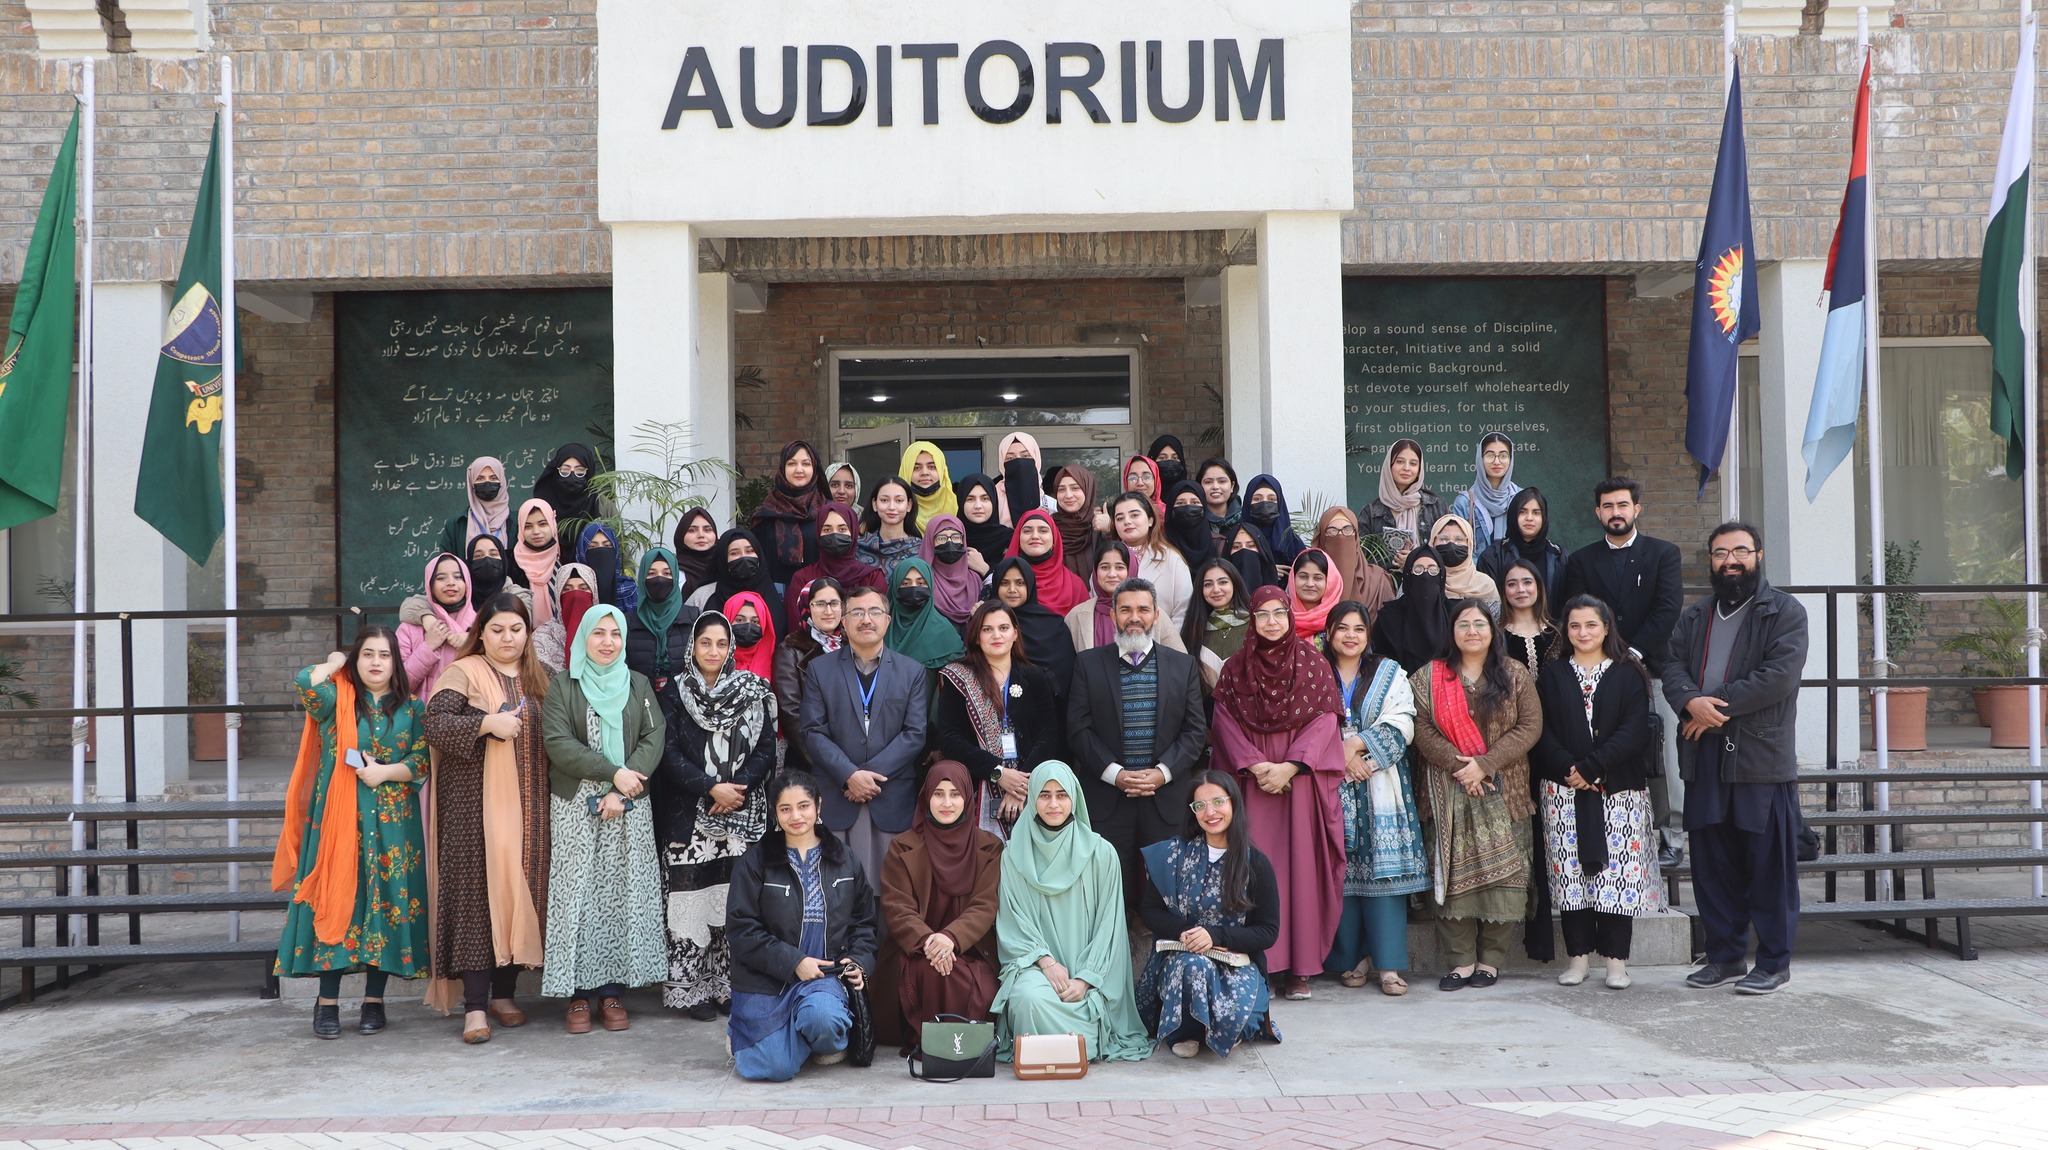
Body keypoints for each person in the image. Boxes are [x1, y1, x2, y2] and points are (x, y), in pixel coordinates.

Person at [1663, 522, 1806, 996]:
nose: (1730, 560)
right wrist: (1689, 701)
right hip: (1705, 760)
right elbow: (1673, 667)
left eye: (1740, 551)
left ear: (1758, 556)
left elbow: (1777, 677)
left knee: (1768, 867)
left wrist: (1711, 705)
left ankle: (1772, 963)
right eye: (1721, 552)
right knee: (1712, 865)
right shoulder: (1695, 615)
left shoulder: (1784, 612)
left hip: (1759, 761)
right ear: (1710, 560)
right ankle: (1723, 957)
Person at [273, 629, 431, 1039]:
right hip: (338, 823)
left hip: (395, 826)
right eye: (366, 655)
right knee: (337, 898)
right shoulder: (335, 701)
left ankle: (374, 1002)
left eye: (384, 655)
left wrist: (385, 772)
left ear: (396, 663)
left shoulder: (412, 707)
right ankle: (326, 1004)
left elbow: (421, 759)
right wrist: (333, 663)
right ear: (355, 660)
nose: (376, 662)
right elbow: (306, 681)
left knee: (384, 903)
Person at [421, 593, 551, 1043]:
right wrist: (484, 725)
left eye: (516, 629)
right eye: (497, 630)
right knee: (478, 899)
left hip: (531, 808)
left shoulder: (541, 678)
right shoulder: (464, 671)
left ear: (527, 634)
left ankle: (503, 994)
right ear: (482, 633)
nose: (507, 638)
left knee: (520, 891)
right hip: (473, 810)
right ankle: (474, 1008)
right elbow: (433, 723)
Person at [1209, 586, 1347, 1001]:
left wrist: (1290, 766)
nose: (1271, 621)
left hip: (1299, 783)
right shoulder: (1235, 669)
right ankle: (1257, 962)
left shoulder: (1314, 664)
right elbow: (1223, 722)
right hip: (1253, 783)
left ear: (1290, 616)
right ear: (1251, 620)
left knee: (1298, 872)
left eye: (1279, 613)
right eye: (1262, 614)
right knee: (1251, 870)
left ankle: (1299, 968)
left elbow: (1325, 721)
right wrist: (1255, 766)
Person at [538, 605, 667, 1033]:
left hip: (629, 801)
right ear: (583, 639)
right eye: (599, 634)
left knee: (621, 893)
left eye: (615, 634)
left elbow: (654, 735)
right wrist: (611, 773)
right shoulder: (564, 684)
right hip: (577, 802)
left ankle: (613, 992)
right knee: (578, 893)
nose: (608, 642)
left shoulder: (638, 684)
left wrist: (622, 788)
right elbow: (558, 742)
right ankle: (577, 997)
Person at [1533, 595, 1663, 991]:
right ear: (1565, 631)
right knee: (1571, 877)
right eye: (1574, 626)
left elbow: (1634, 730)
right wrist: (1571, 770)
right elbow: (1542, 730)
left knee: (1615, 878)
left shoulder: (1629, 672)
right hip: (1563, 792)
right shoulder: (1552, 674)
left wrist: (1592, 768)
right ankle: (1577, 960)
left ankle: (1616, 963)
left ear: (1607, 627)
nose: (1583, 632)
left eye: (1591, 625)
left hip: (1617, 791)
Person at [1557, 477, 1687, 868]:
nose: (1616, 512)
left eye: (1622, 505)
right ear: (1598, 512)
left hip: (1653, 669)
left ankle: (1672, 836)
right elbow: (1579, 611)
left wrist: (1629, 653)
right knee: (1605, 749)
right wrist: (1608, 657)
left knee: (1661, 751)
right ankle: (1620, 832)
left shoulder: (1664, 553)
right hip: (1599, 671)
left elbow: (1666, 611)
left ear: (1636, 509)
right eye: (1608, 506)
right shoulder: (1581, 561)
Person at [1410, 601, 1540, 992]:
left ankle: (1490, 962)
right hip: (1446, 791)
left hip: (1504, 790)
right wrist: (1458, 765)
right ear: (1452, 631)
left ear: (1492, 630)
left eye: (1479, 624)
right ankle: (1460, 963)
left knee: (1503, 880)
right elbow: (1419, 726)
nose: (1471, 631)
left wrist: (1485, 763)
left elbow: (1530, 726)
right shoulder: (1429, 676)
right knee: (1452, 879)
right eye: (1463, 624)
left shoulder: (1514, 673)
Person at [655, 611, 778, 1020]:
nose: (713, 651)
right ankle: (692, 990)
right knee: (691, 901)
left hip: (740, 814)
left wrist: (736, 789)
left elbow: (766, 750)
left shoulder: (753, 690)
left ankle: (729, 987)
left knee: (734, 902)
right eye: (705, 642)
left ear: (730, 649)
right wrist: (710, 787)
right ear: (693, 646)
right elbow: (668, 753)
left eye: (721, 643)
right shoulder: (673, 692)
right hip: (690, 814)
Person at [988, 762, 1150, 1063]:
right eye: (1045, 794)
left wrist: (1085, 980)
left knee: (1088, 1007)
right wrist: (1047, 964)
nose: (1053, 804)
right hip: (1038, 971)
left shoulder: (1101, 854)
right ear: (1033, 797)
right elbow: (1014, 922)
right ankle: (1065, 1046)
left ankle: (1058, 1045)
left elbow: (1109, 929)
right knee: (1026, 999)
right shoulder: (1013, 855)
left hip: (1090, 977)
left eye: (1062, 795)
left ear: (1075, 798)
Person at [1066, 578, 1209, 911]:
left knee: (1170, 893)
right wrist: (1116, 774)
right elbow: (1078, 730)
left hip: (1165, 799)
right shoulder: (1088, 664)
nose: (1134, 616)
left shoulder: (1181, 665)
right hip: (1107, 799)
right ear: (1113, 614)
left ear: (1156, 615)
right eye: (1125, 609)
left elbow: (1195, 732)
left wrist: (1161, 773)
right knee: (1110, 895)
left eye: (1143, 609)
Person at [726, 772, 879, 1081]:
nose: (795, 816)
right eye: (785, 809)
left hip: (824, 975)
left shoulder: (845, 860)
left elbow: (864, 922)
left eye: (804, 806)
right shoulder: (754, 863)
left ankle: (801, 1034)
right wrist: (794, 962)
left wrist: (859, 961)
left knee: (824, 1021)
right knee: (773, 1068)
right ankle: (765, 1039)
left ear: (818, 806)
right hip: (765, 977)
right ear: (775, 814)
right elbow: (742, 930)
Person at [1136, 771, 1281, 1058]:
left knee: (1246, 1021)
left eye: (1217, 802)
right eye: (1199, 805)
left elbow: (1268, 931)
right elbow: (1150, 910)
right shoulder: (1174, 856)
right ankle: (1187, 1032)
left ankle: (1222, 1028)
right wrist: (1185, 932)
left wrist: (1214, 935)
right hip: (1183, 959)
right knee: (1193, 967)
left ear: (1234, 804)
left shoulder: (1255, 863)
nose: (1209, 812)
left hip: (1234, 963)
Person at [1320, 602, 1425, 997]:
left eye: (1359, 629)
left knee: (1384, 873)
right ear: (1329, 633)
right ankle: (1352, 959)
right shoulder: (1314, 671)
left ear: (1368, 635)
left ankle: (1389, 966)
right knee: (1342, 874)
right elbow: (1302, 724)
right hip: (1330, 784)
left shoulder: (1390, 671)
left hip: (1381, 783)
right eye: (1342, 628)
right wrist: (1340, 759)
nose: (1350, 635)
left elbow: (1403, 719)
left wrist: (1359, 746)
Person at [800, 584, 930, 878]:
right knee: (836, 890)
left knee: (891, 894)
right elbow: (812, 731)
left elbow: (914, 733)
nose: (866, 619)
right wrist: (849, 775)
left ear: (888, 619)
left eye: (874, 611)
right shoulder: (820, 669)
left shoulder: (912, 672)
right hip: (838, 794)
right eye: (857, 612)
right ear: (843, 622)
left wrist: (866, 776)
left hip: (890, 795)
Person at [879, 762, 1005, 1040]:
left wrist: (951, 938)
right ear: (926, 798)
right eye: (938, 794)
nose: (946, 803)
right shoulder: (903, 846)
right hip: (917, 950)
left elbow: (986, 904)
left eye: (955, 794)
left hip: (972, 949)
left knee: (970, 978)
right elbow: (898, 907)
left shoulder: (989, 847)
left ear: (967, 798)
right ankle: (939, 1047)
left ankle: (961, 1048)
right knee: (936, 974)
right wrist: (931, 943)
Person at [936, 601, 1063, 838]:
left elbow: (1048, 734)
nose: (997, 635)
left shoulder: (1034, 676)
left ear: (1015, 633)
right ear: (976, 637)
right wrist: (999, 774)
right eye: (987, 629)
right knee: (985, 867)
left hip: (1029, 789)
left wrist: (1020, 785)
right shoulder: (958, 678)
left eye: (1003, 628)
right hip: (976, 788)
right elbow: (950, 738)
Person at [1066, 538, 1186, 655]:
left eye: (1119, 567)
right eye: (1104, 567)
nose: (1112, 574)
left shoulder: (1154, 614)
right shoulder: (1076, 616)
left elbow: (1180, 662)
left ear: (1131, 569)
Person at [773, 579, 843, 774]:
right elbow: (791, 712)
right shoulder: (790, 649)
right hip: (810, 762)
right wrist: (823, 764)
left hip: (852, 757)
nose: (828, 611)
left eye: (834, 603)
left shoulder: (853, 644)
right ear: (806, 607)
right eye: (819, 604)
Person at [988, 557, 1079, 705]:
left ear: (1030, 585)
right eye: (1004, 583)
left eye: (1020, 583)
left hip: (1046, 709)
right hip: (996, 705)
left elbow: (1065, 673)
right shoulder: (986, 623)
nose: (1012, 590)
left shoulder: (1053, 624)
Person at [784, 502, 886, 627]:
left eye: (842, 529)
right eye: (827, 529)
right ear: (818, 533)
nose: (835, 534)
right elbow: (797, 627)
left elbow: (877, 625)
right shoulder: (802, 579)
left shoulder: (872, 577)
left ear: (853, 532)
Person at [1108, 492, 1193, 630]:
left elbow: (1183, 611)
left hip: (1162, 644)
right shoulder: (1106, 559)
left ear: (1150, 520)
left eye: (1134, 515)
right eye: (1119, 518)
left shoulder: (1171, 559)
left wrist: (1166, 646)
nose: (1127, 521)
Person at [750, 439, 826, 590]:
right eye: (792, 463)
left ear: (815, 468)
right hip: (774, 595)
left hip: (819, 596)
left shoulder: (827, 511)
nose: (799, 470)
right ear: (782, 468)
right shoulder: (767, 512)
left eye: (806, 464)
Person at [686, 528, 791, 638]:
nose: (743, 557)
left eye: (749, 551)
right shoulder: (703, 597)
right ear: (723, 559)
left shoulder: (779, 594)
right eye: (734, 553)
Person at [886, 558, 966, 699]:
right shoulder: (881, 628)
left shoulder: (945, 633)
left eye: (921, 583)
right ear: (895, 587)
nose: (914, 588)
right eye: (905, 583)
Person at [626, 546, 701, 694]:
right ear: (642, 578)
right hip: (643, 701)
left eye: (667, 573)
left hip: (685, 703)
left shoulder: (693, 618)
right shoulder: (628, 623)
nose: (659, 579)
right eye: (651, 573)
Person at [398, 553, 474, 694]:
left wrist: (473, 642)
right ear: (430, 585)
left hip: (472, 715)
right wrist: (428, 647)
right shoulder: (409, 628)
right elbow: (398, 685)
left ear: (467, 583)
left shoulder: (482, 627)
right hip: (421, 714)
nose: (451, 582)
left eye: (458, 577)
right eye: (441, 578)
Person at [1359, 439, 1443, 567]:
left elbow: (1446, 550)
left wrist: (1416, 559)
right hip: (1385, 584)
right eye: (1399, 462)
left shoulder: (1436, 506)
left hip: (1426, 581)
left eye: (1413, 463)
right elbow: (1362, 558)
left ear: (1420, 469)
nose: (1407, 468)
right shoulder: (1371, 512)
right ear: (1389, 465)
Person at [1372, 547, 1451, 674]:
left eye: (1433, 570)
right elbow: (1380, 665)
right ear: (1408, 575)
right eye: (1418, 570)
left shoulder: (1453, 614)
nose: (1425, 576)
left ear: (1441, 576)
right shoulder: (1388, 618)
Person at [1479, 488, 1565, 599]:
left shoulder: (1558, 556)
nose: (1529, 518)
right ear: (1513, 516)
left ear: (1544, 518)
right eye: (1522, 512)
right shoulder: (1494, 556)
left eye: (1536, 512)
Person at [1005, 508, 1092, 617]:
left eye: (1043, 530)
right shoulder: (1003, 581)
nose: (1035, 536)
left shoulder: (1075, 586)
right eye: (1027, 531)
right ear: (1018, 538)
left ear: (1054, 540)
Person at [1184, 557, 1250, 693]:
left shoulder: (1255, 625)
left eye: (1223, 582)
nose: (1216, 589)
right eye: (1208, 584)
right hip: (1206, 710)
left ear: (1235, 584)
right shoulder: (1193, 630)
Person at [1450, 432, 1521, 555]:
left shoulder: (1521, 499)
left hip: (1515, 572)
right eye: (1490, 455)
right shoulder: (1464, 503)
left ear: (1511, 459)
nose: (1497, 461)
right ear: (1480, 458)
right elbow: (1459, 549)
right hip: (1477, 572)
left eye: (1503, 456)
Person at [1315, 506, 1395, 615]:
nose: (1340, 536)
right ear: (1322, 538)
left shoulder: (1378, 581)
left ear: (1356, 536)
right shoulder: (1309, 580)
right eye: (1332, 530)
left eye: (1347, 530)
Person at [531, 442, 603, 551]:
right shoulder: (541, 506)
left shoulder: (601, 504)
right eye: (565, 470)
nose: (572, 476)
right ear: (556, 470)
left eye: (580, 471)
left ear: (589, 473)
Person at [437, 456, 512, 558]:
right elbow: (446, 562)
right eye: (480, 478)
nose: (487, 482)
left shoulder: (518, 522)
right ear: (471, 483)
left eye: (493, 478)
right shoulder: (457, 523)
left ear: (502, 482)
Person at [919, 514, 985, 627]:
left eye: (956, 537)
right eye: (941, 538)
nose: (950, 543)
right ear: (930, 541)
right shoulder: (921, 581)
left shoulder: (975, 580)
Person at [533, 562, 596, 675]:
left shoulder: (606, 632)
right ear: (558, 595)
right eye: (567, 589)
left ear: (594, 594)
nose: (576, 595)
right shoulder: (543, 636)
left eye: (583, 588)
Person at [1429, 514, 1500, 613]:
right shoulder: (1420, 579)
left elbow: (1493, 624)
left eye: (1459, 540)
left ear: (1469, 544)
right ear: (1432, 543)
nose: (1451, 545)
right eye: (1444, 539)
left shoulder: (1485, 585)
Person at [1498, 560, 1559, 674]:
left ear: (1538, 587)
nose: (1521, 589)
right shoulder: (1496, 635)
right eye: (1512, 584)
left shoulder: (1557, 632)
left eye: (1527, 582)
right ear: (1503, 591)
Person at [858, 475, 924, 574]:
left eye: (899, 500)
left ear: (909, 505)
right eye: (884, 500)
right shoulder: (859, 547)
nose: (892, 507)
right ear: (875, 504)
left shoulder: (921, 550)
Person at [1046, 465, 1101, 580]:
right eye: (1061, 489)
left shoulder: (1100, 528)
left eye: (1075, 488)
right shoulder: (1047, 528)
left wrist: (1111, 528)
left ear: (1088, 489)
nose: (1068, 495)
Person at [1242, 474, 1308, 569]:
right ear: (1248, 503)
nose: (1265, 504)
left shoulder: (1293, 542)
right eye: (1257, 499)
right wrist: (1267, 572)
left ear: (1280, 503)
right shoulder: (1237, 539)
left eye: (1272, 499)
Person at [512, 499, 561, 626]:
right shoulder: (510, 564)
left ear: (552, 524)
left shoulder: (565, 561)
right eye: (528, 526)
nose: (536, 531)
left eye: (542, 524)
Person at [956, 474, 1014, 570]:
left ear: (994, 501)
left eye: (985, 499)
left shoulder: (1009, 539)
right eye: (970, 499)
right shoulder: (951, 539)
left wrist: (984, 569)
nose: (978, 505)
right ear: (961, 502)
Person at [575, 523, 637, 611]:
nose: (601, 551)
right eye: (593, 546)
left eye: (607, 545)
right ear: (582, 553)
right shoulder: (575, 591)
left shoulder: (629, 591)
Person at [995, 431, 1053, 526]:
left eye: (1025, 456)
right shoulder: (993, 499)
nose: (1019, 462)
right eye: (1010, 459)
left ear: (1036, 459)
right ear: (1002, 462)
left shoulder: (1050, 503)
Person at [464, 533, 531, 613]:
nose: (487, 560)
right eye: (478, 555)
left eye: (493, 554)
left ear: (503, 560)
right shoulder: (461, 596)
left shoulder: (519, 596)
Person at [1286, 549, 1338, 645]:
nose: (1310, 584)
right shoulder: (1278, 618)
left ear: (1331, 581)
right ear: (1293, 578)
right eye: (1303, 576)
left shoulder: (1341, 620)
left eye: (1317, 578)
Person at [670, 507, 721, 602]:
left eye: (707, 530)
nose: (701, 535)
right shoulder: (672, 573)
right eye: (692, 530)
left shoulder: (726, 568)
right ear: (681, 535)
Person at [901, 439, 958, 523]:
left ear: (942, 471)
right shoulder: (893, 511)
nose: (924, 473)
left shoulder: (959, 509)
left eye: (931, 467)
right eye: (916, 468)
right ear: (906, 472)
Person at [725, 592, 778, 682]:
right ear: (728, 619)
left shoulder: (777, 664)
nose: (748, 626)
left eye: (755, 622)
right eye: (740, 620)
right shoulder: (713, 658)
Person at [1165, 481, 1217, 570]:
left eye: (1195, 503)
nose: (1188, 508)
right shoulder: (1160, 545)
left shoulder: (1219, 544)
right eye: (1180, 503)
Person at [1195, 459, 1242, 548]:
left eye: (1222, 481)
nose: (1215, 487)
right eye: (1208, 482)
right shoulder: (1194, 521)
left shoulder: (1245, 519)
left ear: (1232, 486)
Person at [1225, 523, 1281, 592]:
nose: (1244, 551)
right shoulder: (1220, 594)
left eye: (1251, 546)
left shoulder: (1277, 596)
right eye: (1236, 547)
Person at [1123, 455, 1167, 522]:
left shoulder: (1168, 514)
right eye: (1133, 478)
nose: (1140, 483)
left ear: (1156, 480)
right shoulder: (1118, 513)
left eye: (1146, 477)